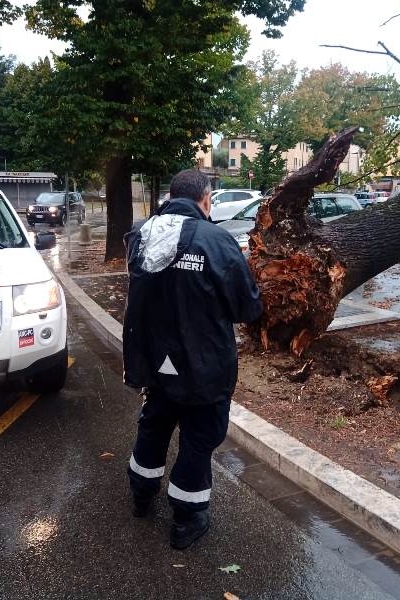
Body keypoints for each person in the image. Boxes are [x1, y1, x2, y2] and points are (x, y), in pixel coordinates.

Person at [123, 169, 263, 550]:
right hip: (204, 366)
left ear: (172, 195)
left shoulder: (142, 234)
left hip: (155, 362)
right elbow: (247, 308)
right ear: (206, 199)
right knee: (199, 439)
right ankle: (186, 520)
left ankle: (141, 495)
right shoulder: (217, 241)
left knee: (153, 425)